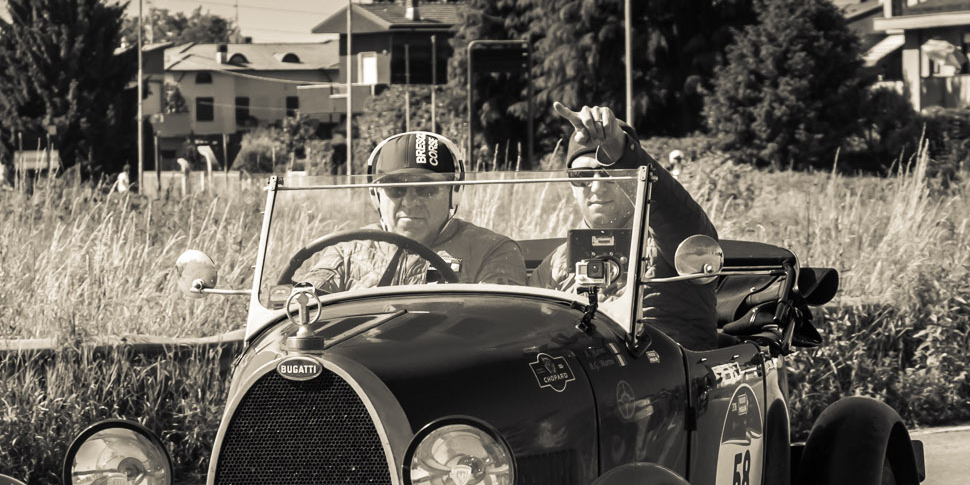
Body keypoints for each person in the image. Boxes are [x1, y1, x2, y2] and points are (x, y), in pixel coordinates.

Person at [532, 102, 721, 343]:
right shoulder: (554, 266)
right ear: (570, 185)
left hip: (664, 364)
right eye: (582, 176)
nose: (597, 186)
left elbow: (682, 221)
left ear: (634, 182)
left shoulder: (671, 246)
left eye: (610, 173)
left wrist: (620, 150)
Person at [300, 130, 527, 290]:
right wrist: (353, 306)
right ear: (375, 195)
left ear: (454, 191)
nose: (410, 202)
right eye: (395, 188)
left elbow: (500, 328)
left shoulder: (491, 251)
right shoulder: (346, 251)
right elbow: (300, 312)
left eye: (425, 189)